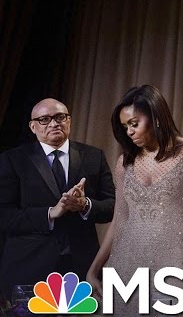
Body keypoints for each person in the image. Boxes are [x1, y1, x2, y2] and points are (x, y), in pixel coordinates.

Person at [86, 85, 183, 317]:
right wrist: (94, 269)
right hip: (128, 268)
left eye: (135, 123)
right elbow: (120, 218)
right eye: (125, 126)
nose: (129, 132)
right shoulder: (124, 163)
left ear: (156, 116)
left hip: (179, 266)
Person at [0, 98, 115, 297]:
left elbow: (113, 207)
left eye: (60, 117)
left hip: (80, 268)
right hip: (28, 267)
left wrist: (84, 205)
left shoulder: (93, 156)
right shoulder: (12, 159)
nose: (54, 123)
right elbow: (4, 215)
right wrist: (50, 214)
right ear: (33, 126)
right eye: (44, 119)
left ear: (69, 120)